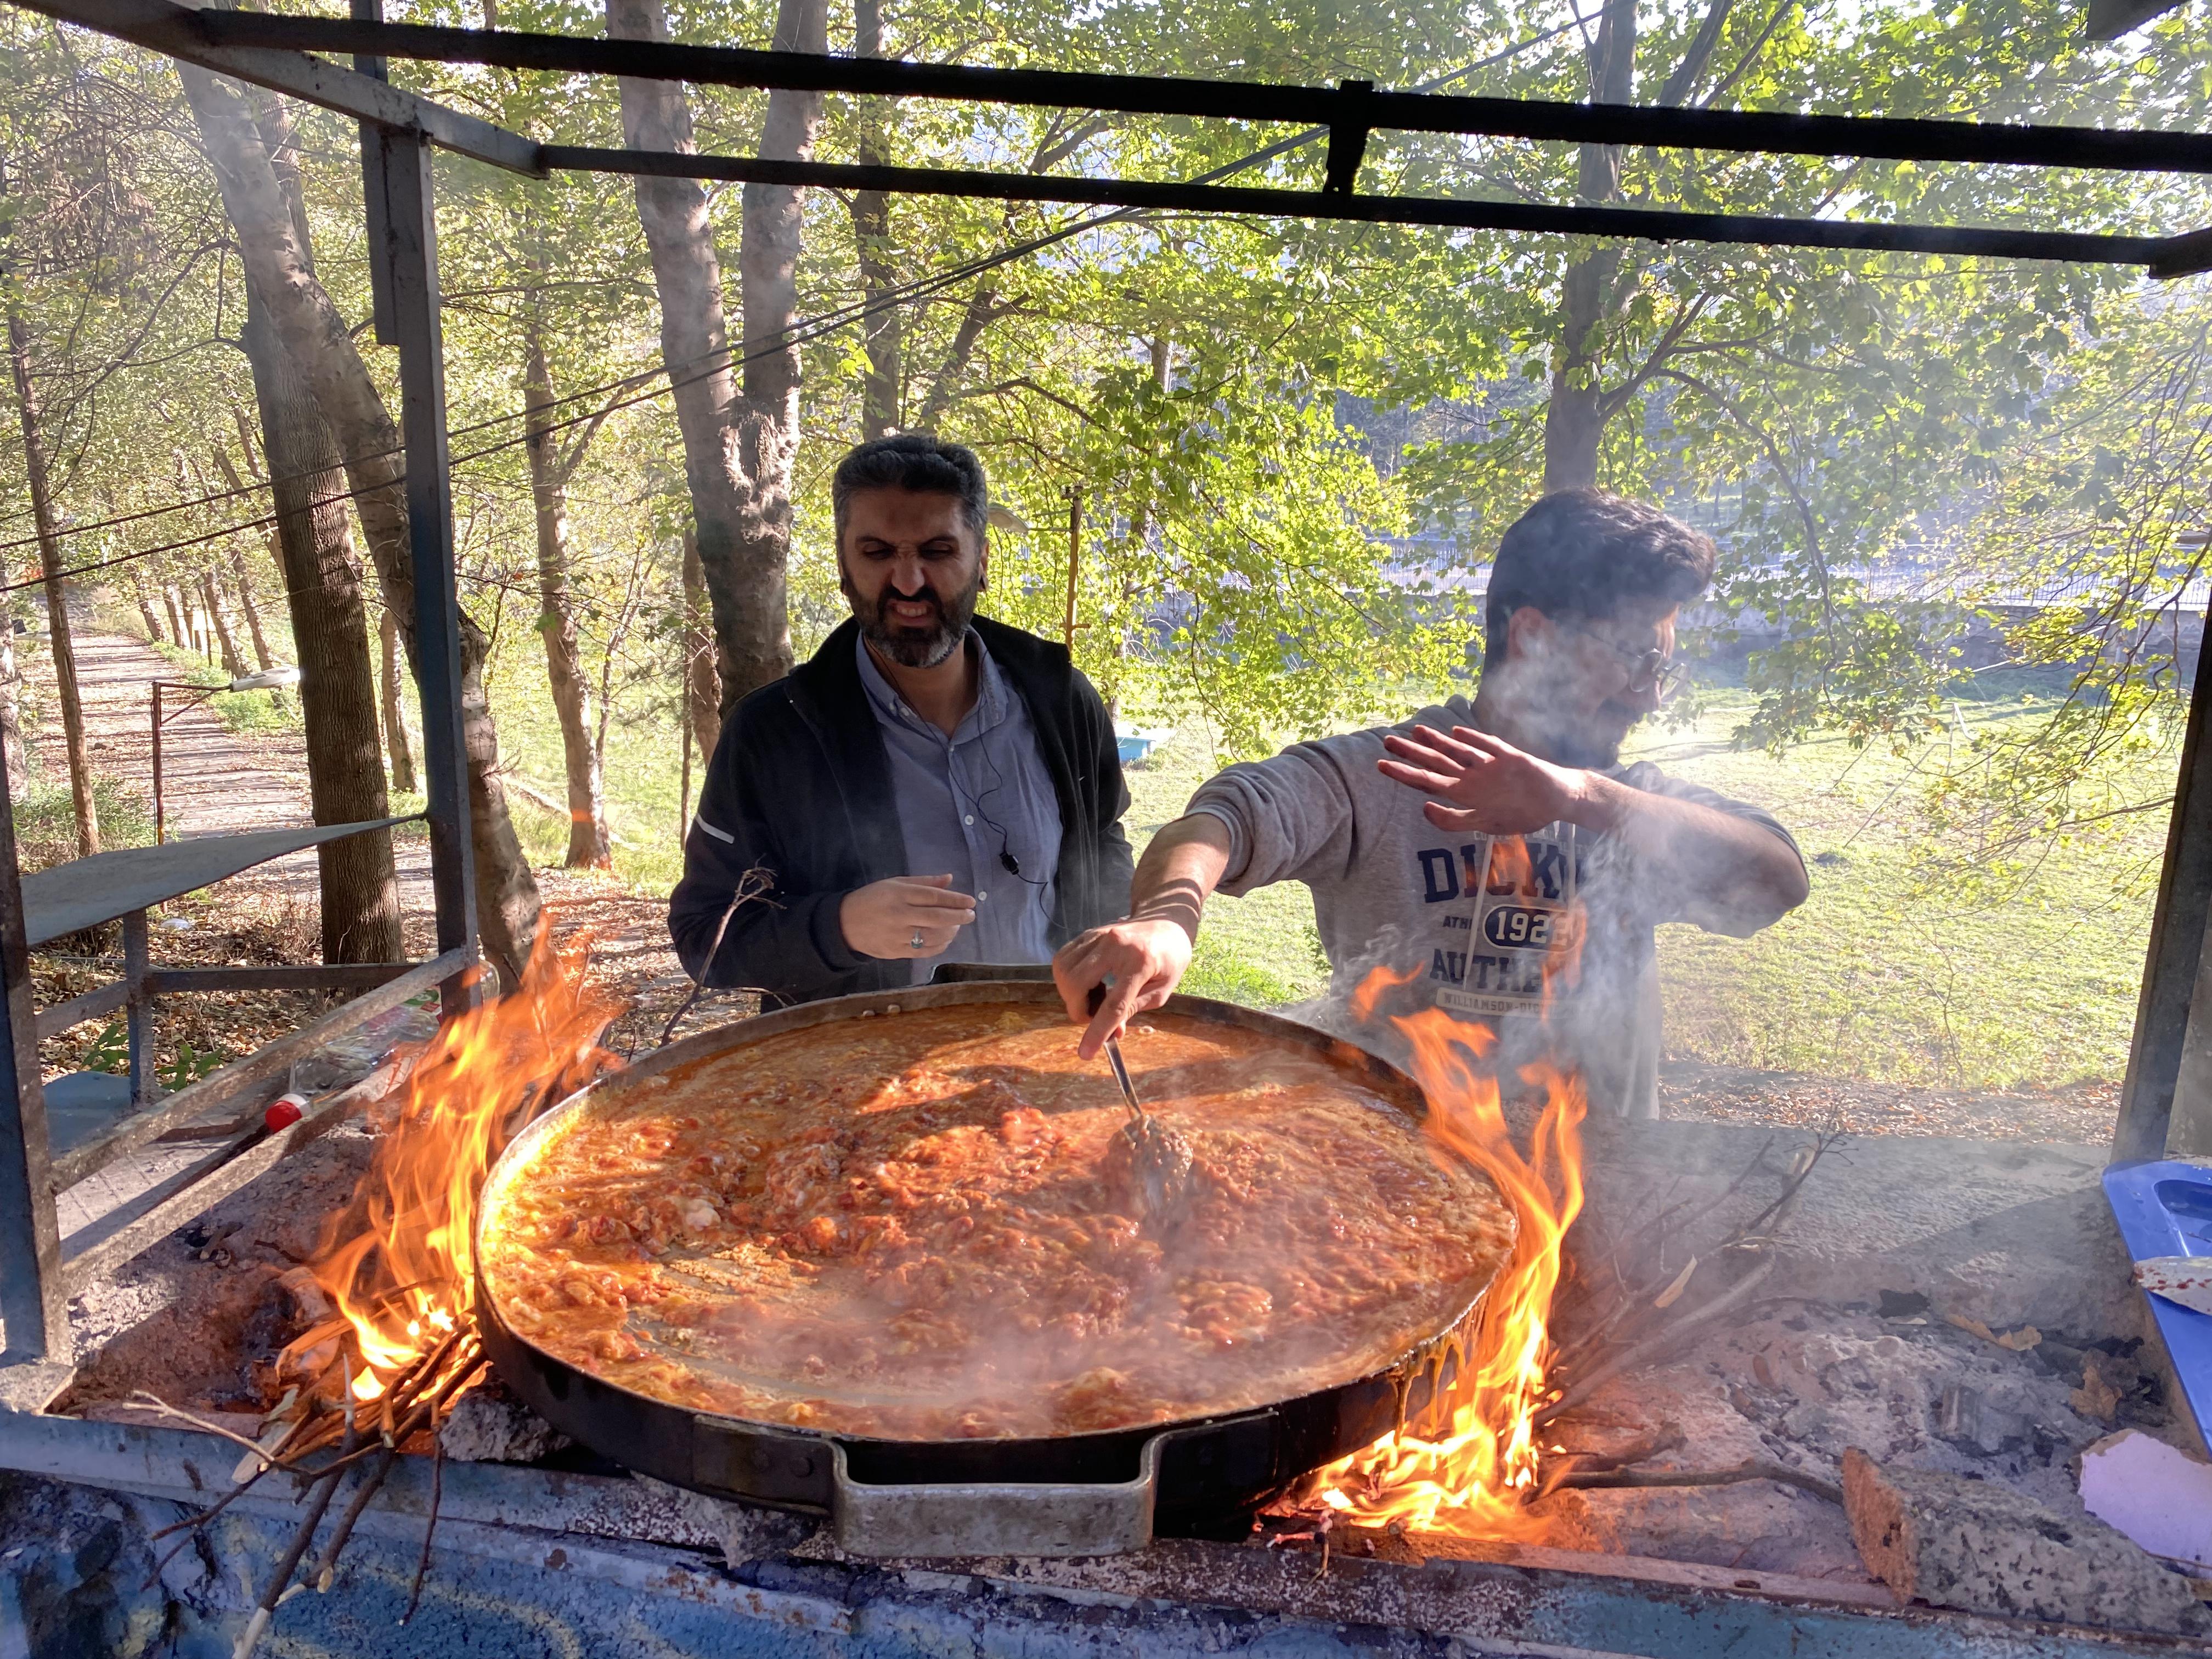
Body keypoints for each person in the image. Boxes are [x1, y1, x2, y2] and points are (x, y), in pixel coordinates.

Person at [1052, 488, 1808, 1118]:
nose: (1649, 695)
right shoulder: (1391, 773)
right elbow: (1224, 817)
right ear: (1534, 638)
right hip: (1403, 1172)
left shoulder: (1630, 804)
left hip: (1594, 1193)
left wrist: (1584, 798)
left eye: (1662, 669)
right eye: (1636, 658)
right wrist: (1164, 920)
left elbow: (1778, 878)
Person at [669, 434, 1134, 1004]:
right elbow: (703, 939)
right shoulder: (775, 734)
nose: (908, 582)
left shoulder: (1060, 700)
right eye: (878, 553)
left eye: (937, 552)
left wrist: (1108, 951)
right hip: (863, 1074)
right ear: (844, 565)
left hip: (1047, 1051)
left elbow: (1104, 840)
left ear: (981, 560)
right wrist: (840, 928)